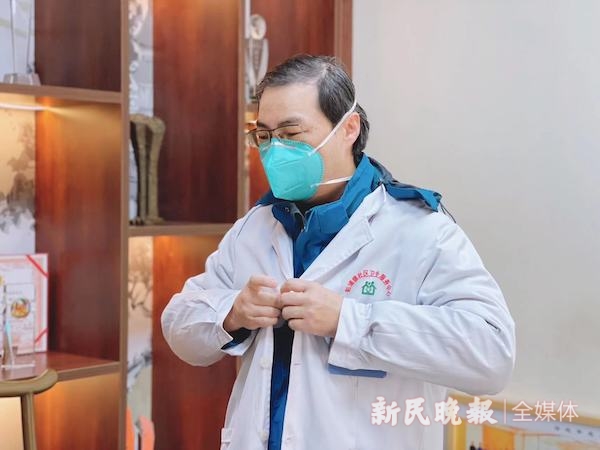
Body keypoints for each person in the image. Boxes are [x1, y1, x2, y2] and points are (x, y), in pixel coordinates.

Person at [161, 55, 515, 450]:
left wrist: (349, 320)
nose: (275, 150)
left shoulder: (420, 230)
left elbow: (492, 354)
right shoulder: (255, 228)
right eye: (264, 136)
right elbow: (179, 326)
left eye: (291, 133)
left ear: (348, 128)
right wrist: (232, 313)